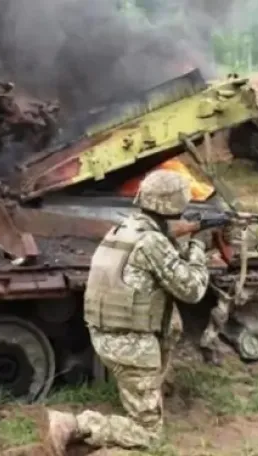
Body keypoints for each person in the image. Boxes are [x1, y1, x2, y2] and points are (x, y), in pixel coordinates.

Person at [43, 169, 215, 454]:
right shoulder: (152, 242)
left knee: (172, 325)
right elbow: (193, 290)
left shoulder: (124, 228)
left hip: (110, 334)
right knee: (148, 434)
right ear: (175, 205)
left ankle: (152, 392)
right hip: (131, 344)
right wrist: (197, 246)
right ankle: (75, 425)